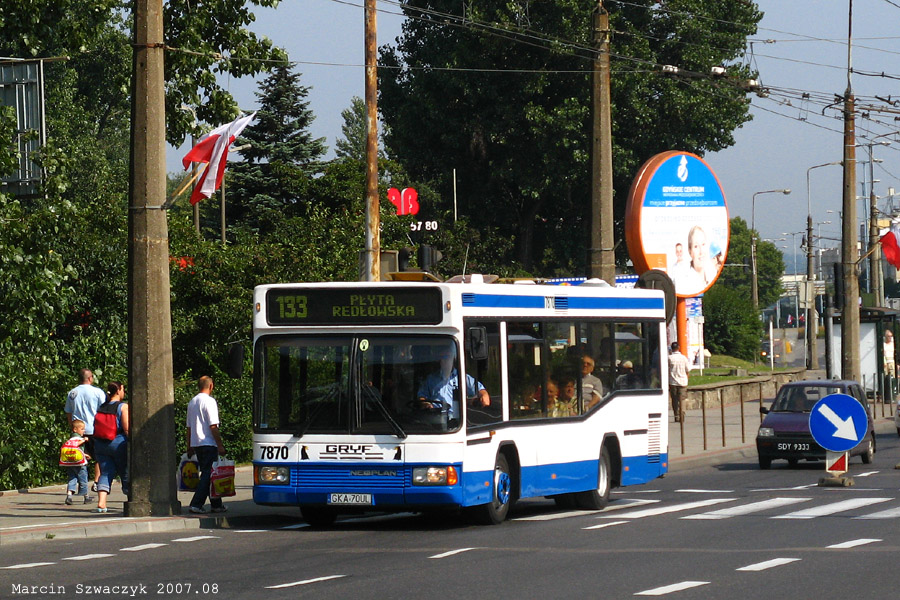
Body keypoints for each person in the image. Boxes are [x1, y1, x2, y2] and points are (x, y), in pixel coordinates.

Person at [186, 376, 227, 514]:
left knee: (210, 474)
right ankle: (196, 504)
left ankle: (216, 504)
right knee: (208, 474)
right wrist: (220, 445)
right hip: (208, 442)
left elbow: (189, 427)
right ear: (211, 386)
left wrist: (189, 446)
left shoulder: (192, 402)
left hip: (196, 443)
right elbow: (213, 426)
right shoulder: (209, 402)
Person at [416, 345, 490, 420]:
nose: (445, 361)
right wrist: (425, 403)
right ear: (440, 361)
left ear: (453, 360)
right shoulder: (431, 379)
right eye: (443, 358)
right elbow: (421, 396)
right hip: (434, 416)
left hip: (456, 419)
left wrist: (484, 395)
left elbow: (480, 389)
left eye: (447, 358)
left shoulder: (462, 377)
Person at [65, 368, 105, 492]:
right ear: (90, 378)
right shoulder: (98, 392)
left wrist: (72, 427)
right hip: (94, 429)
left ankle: (80, 484)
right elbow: (104, 410)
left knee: (79, 458)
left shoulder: (72, 393)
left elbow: (68, 412)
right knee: (99, 458)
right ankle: (96, 482)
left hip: (78, 431)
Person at [92, 382, 129, 513]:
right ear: (118, 391)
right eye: (123, 389)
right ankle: (131, 497)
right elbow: (127, 428)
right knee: (125, 471)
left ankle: (101, 503)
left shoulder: (102, 406)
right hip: (118, 444)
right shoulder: (123, 407)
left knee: (105, 472)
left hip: (100, 444)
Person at [62, 419, 94, 505]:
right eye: (82, 429)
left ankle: (69, 496)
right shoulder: (79, 439)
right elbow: (78, 448)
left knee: (72, 478)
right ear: (75, 429)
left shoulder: (70, 439)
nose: (84, 431)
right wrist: (84, 440)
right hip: (79, 463)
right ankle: (86, 496)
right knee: (83, 478)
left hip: (70, 462)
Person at [668, 342, 691, 422]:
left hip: (672, 382)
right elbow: (688, 369)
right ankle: (682, 414)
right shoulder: (684, 358)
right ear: (679, 347)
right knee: (682, 399)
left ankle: (676, 416)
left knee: (674, 399)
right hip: (683, 381)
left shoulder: (669, 358)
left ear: (671, 348)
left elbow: (667, 370)